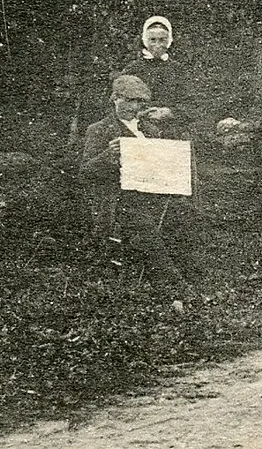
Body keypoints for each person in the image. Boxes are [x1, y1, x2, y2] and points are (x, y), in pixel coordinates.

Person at [79, 73, 194, 301]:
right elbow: (85, 172)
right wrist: (106, 157)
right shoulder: (99, 130)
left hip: (154, 195)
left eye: (141, 102)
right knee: (142, 224)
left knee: (187, 216)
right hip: (119, 200)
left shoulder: (151, 130)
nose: (135, 106)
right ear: (115, 99)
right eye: (130, 100)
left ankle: (187, 276)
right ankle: (177, 287)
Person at [118, 14, 191, 124]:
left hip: (172, 125)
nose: (157, 45)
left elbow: (189, 103)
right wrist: (141, 113)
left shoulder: (178, 70)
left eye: (162, 40)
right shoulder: (133, 69)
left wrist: (170, 112)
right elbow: (121, 103)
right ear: (145, 40)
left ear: (169, 40)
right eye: (153, 40)